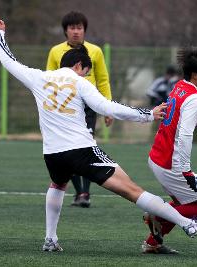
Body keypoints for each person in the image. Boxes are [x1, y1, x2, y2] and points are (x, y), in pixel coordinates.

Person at [0, 16, 197, 252]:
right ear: (79, 67)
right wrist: (148, 114)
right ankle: (187, 223)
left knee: (57, 184)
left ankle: (50, 239)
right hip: (82, 150)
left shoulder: (39, 77)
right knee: (133, 190)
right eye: (86, 72)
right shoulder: (79, 81)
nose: (86, 76)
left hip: (52, 153)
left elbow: (8, 61)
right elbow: (107, 107)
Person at [141, 47, 197, 254]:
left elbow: (184, 118)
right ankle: (157, 214)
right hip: (171, 165)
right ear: (196, 74)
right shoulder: (195, 98)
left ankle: (152, 243)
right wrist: (186, 170)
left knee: (184, 203)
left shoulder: (180, 87)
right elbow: (184, 134)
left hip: (158, 158)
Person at [46, 11, 113, 208]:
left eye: (79, 28)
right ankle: (81, 192)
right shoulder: (55, 51)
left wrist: (107, 108)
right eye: (72, 28)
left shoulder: (96, 51)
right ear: (65, 31)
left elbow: (102, 79)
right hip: (65, 107)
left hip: (88, 106)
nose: (76, 32)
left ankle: (84, 193)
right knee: (68, 146)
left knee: (86, 145)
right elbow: (48, 80)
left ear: (84, 30)